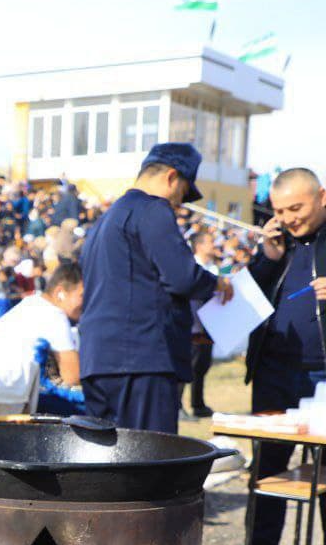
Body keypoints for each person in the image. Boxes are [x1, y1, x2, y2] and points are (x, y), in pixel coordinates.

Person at [79, 144, 233, 434]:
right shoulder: (152, 208)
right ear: (172, 177)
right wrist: (217, 283)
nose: (179, 204)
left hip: (98, 360)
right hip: (141, 359)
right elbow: (182, 277)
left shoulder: (104, 220)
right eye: (182, 194)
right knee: (149, 463)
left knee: (108, 465)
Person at [244, 168, 326, 545]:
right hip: (274, 371)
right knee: (268, 467)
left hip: (323, 375)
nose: (289, 218)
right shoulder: (278, 246)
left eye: (296, 207)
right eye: (280, 211)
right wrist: (267, 258)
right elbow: (247, 303)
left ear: (322, 197)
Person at [0, 260, 84, 391]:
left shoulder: (32, 303)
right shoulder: (53, 315)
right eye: (82, 295)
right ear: (60, 292)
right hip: (6, 392)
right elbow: (73, 377)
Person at [188, 230, 222, 418]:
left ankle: (198, 404)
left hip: (209, 325)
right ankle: (180, 406)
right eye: (210, 241)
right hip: (193, 325)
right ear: (199, 245)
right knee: (190, 367)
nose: (213, 245)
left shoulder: (213, 267)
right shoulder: (193, 266)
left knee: (202, 366)